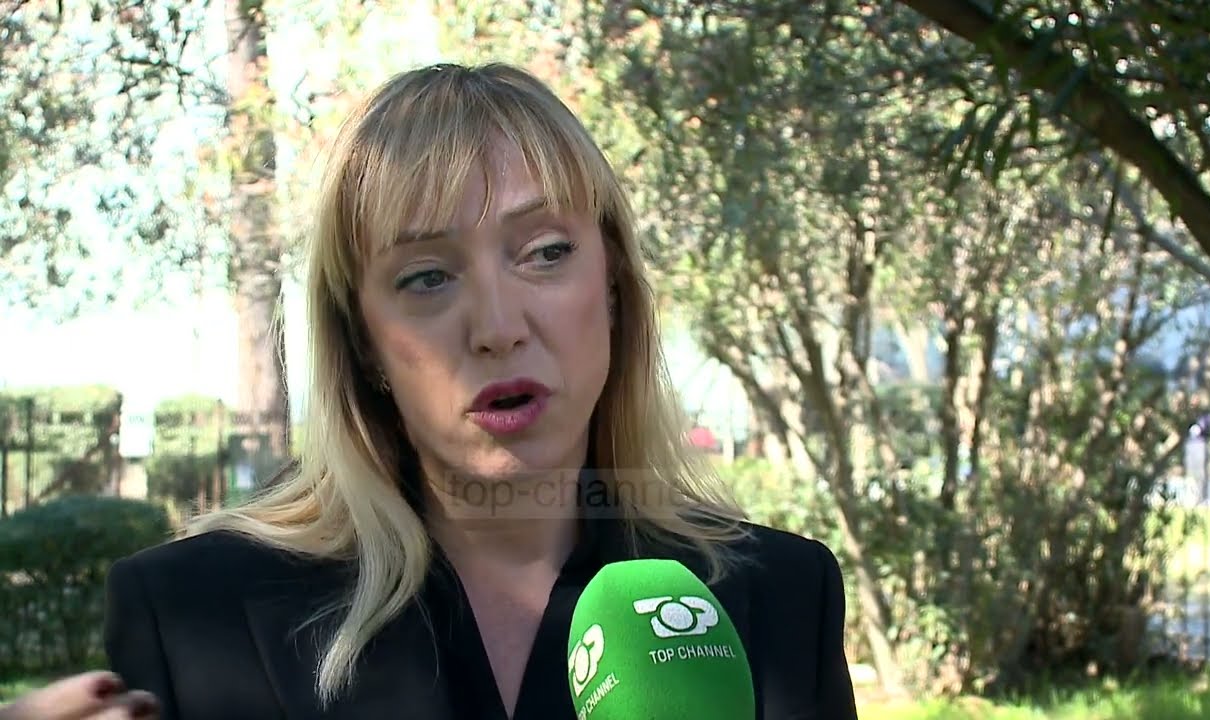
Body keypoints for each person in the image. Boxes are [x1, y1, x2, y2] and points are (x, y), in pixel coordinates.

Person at [0, 62, 857, 720]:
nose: (497, 326)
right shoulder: (192, 612)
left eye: (545, 253)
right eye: (426, 276)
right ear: (364, 343)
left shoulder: (780, 598)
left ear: (615, 290)